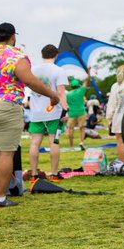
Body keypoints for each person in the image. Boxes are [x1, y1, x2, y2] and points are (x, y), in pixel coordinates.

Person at [0, 23, 63, 208]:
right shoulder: (17, 56)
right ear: (13, 37)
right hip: (6, 107)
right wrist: (53, 95)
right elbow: (30, 81)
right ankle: (0, 198)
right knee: (5, 154)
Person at [26, 45, 70, 177]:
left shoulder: (32, 70)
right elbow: (61, 93)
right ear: (56, 55)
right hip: (54, 111)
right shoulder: (59, 70)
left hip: (35, 112)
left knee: (34, 142)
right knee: (54, 141)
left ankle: (34, 174)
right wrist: (65, 109)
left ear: (42, 54)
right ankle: (55, 173)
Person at [64, 78, 89, 149]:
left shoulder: (68, 94)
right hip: (81, 112)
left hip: (72, 113)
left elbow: (66, 103)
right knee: (82, 128)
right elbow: (87, 81)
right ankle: (81, 142)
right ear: (78, 85)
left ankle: (71, 146)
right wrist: (89, 72)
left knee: (71, 129)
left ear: (71, 86)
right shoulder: (81, 90)